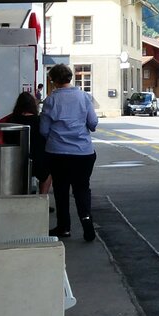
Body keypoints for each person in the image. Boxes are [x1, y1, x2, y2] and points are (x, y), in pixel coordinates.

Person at [40, 63, 99, 241]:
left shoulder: (50, 100)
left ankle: (64, 227)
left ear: (54, 80)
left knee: (61, 189)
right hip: (83, 153)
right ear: (70, 77)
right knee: (82, 188)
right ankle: (87, 223)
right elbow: (93, 123)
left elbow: (43, 130)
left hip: (58, 153)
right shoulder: (84, 97)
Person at [2, 91, 50, 196]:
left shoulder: (11, 120)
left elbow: (6, 140)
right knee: (47, 174)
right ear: (33, 106)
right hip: (38, 161)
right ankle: (42, 197)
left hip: (14, 161)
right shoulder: (40, 121)